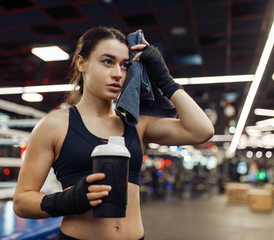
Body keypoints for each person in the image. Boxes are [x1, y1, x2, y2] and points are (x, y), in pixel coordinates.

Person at [13, 26, 214, 240]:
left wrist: (165, 80)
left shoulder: (135, 124)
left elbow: (202, 130)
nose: (118, 73)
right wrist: (68, 199)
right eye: (107, 61)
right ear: (82, 63)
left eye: (125, 65)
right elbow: (21, 202)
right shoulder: (54, 125)